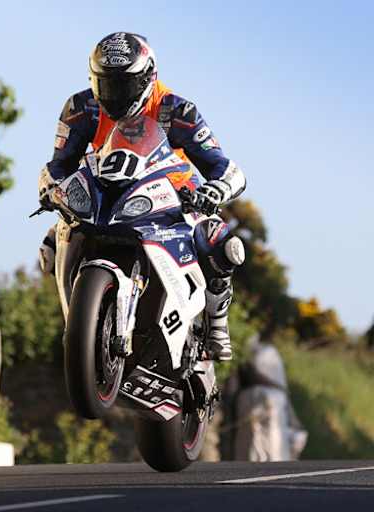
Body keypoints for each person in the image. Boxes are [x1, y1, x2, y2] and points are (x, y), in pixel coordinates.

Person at [38, 32, 247, 361]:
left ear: (149, 77)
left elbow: (226, 168)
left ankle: (216, 321)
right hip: (105, 195)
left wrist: (215, 189)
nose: (115, 96)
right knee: (50, 248)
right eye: (106, 85)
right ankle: (82, 322)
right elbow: (59, 164)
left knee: (220, 241)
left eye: (125, 85)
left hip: (171, 196)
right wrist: (52, 188)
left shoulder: (177, 110)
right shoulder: (81, 108)